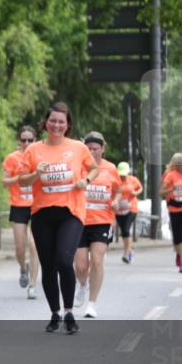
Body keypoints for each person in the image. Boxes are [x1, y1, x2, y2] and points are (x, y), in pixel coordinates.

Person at [18, 102, 98, 334]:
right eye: (52, 120)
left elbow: (94, 168)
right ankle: (55, 313)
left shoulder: (77, 148)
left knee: (64, 261)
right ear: (46, 123)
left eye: (61, 121)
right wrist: (36, 173)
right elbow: (22, 180)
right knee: (49, 266)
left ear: (67, 124)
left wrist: (86, 181)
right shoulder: (33, 150)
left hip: (71, 213)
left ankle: (69, 312)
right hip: (42, 214)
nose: (56, 125)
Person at [72, 132, 121, 319]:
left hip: (102, 220)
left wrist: (116, 201)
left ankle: (92, 304)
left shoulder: (110, 168)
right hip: (80, 220)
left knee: (97, 260)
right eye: (89, 149)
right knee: (81, 266)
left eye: (96, 149)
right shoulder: (79, 166)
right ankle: (82, 284)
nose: (92, 152)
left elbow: (117, 190)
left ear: (103, 149)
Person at [1, 126, 40, 299]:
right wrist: (19, 178)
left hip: (37, 205)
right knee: (19, 248)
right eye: (24, 140)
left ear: (35, 140)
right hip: (18, 205)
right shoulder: (12, 158)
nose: (27, 143)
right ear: (19, 140)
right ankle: (23, 268)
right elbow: (4, 182)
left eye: (30, 140)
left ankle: (32, 285)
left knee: (34, 245)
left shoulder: (40, 157)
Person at [114, 162, 143, 264]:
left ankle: (127, 252)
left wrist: (136, 193)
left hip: (131, 208)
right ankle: (129, 250)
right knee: (123, 231)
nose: (122, 176)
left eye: (124, 174)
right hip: (119, 209)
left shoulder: (133, 180)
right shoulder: (115, 180)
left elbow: (140, 188)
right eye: (121, 174)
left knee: (126, 229)